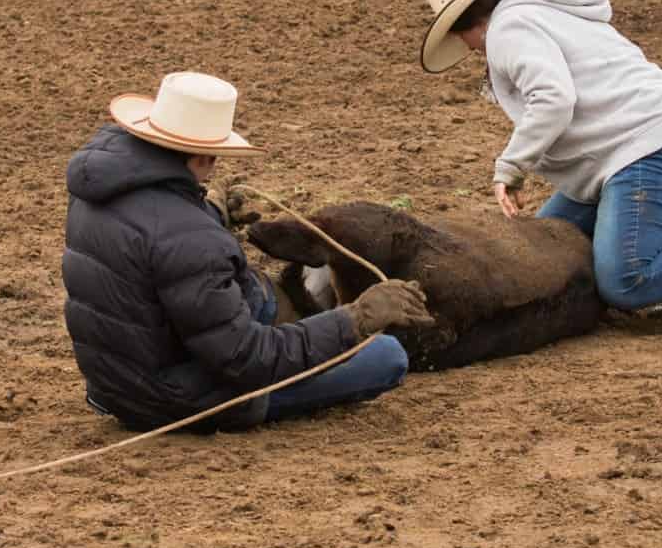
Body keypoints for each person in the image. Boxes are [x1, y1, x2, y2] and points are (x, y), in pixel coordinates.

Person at [63, 71, 433, 431]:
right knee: (386, 357)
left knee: (257, 299)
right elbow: (247, 359)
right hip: (177, 400)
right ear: (204, 157)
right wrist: (357, 318)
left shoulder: (96, 192)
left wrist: (206, 214)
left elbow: (151, 239)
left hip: (114, 384)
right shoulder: (193, 240)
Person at [420, 0, 662, 331]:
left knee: (624, 280)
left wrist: (512, 168)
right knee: (550, 247)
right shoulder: (538, 13)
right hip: (634, 149)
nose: (467, 49)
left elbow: (553, 99)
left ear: (466, 24)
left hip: (651, 150)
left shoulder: (508, 30)